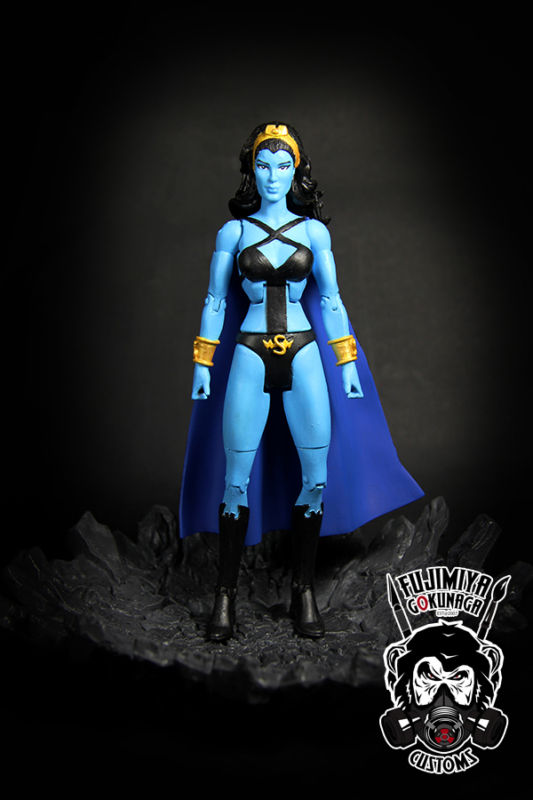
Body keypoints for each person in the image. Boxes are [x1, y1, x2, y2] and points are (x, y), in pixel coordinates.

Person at [179, 122, 423, 642]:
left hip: (305, 351)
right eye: (263, 166)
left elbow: (331, 300)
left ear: (297, 172)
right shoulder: (233, 233)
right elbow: (215, 300)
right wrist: (203, 362)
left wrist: (347, 363)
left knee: (315, 477)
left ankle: (303, 588)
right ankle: (225, 594)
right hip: (248, 353)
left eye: (283, 166)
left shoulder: (314, 233)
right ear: (252, 171)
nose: (273, 176)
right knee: (235, 479)